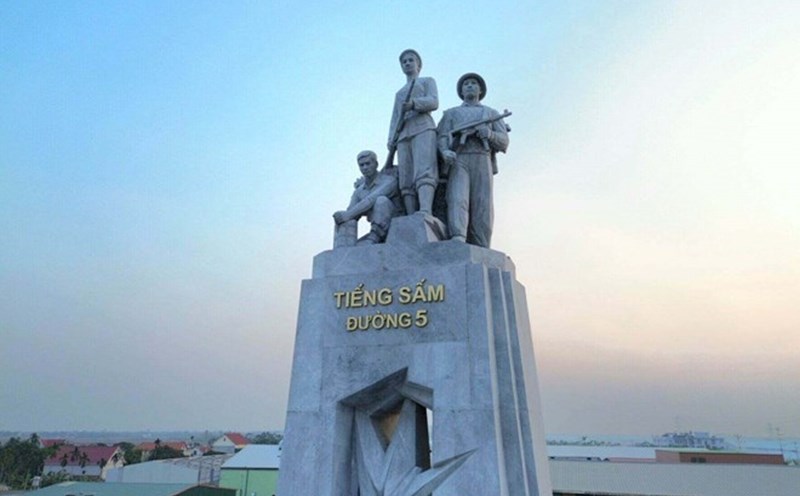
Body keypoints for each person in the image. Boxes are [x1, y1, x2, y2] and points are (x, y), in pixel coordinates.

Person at [437, 73, 509, 248]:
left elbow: (504, 141)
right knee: (457, 198)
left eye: (473, 83)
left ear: (481, 90)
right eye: (466, 84)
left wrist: (489, 134)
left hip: (482, 159)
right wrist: (445, 151)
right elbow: (442, 136)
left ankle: (482, 245)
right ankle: (458, 238)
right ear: (461, 90)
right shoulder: (451, 114)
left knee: (482, 203)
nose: (469, 86)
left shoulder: (491, 114)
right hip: (459, 159)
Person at [387, 49, 439, 216]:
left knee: (424, 169)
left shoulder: (427, 81)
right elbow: (395, 117)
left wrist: (414, 104)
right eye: (404, 62)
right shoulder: (399, 93)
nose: (408, 63)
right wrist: (390, 139)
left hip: (423, 127)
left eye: (411, 60)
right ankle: (410, 214)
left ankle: (425, 209)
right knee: (406, 175)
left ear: (418, 64)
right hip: (403, 134)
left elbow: (434, 102)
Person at [333, 150, 401, 247]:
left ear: (376, 164)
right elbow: (351, 212)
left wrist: (348, 215)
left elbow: (371, 199)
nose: (365, 167)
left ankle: (374, 237)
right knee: (343, 217)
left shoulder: (389, 181)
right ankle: (343, 247)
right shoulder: (359, 191)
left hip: (396, 224)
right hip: (377, 226)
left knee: (381, 200)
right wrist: (343, 217)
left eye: (368, 164)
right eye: (361, 165)